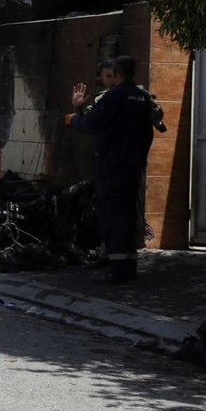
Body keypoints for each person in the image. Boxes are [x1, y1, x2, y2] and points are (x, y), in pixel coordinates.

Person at [64, 55, 155, 283]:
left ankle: (117, 268)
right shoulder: (143, 98)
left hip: (111, 166)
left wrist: (73, 117)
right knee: (128, 213)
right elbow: (148, 134)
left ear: (115, 72)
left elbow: (92, 124)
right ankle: (128, 264)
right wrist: (139, 159)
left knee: (112, 214)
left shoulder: (113, 97)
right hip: (133, 166)